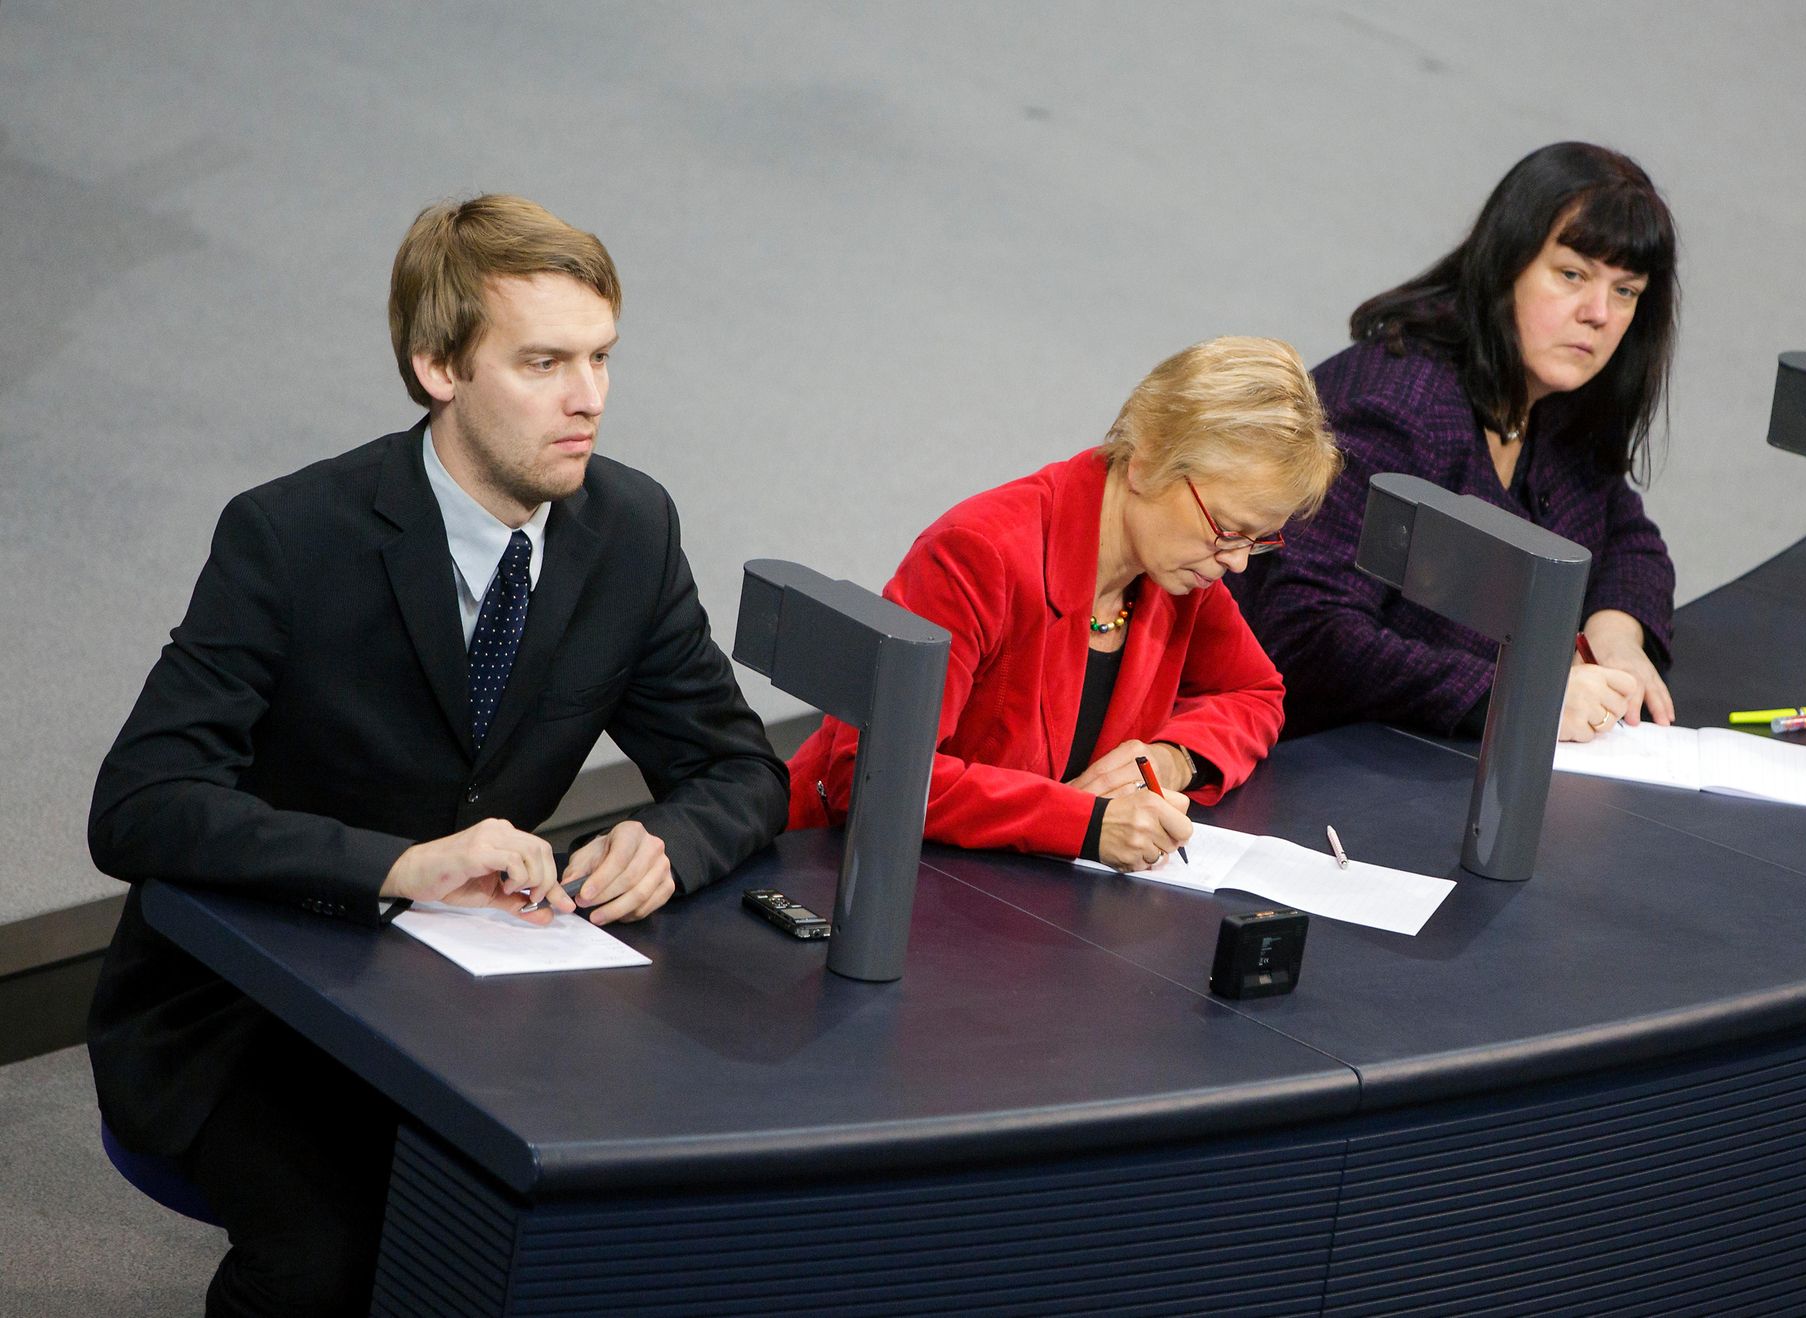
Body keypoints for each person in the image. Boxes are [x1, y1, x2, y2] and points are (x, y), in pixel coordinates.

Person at [84, 194, 789, 1316]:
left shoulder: (629, 530)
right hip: (253, 1004)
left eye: (602, 357)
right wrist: (392, 864)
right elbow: (139, 806)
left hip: (478, 1000)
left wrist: (667, 838)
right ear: (437, 366)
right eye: (545, 361)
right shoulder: (290, 536)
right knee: (340, 1251)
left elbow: (741, 770)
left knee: (640, 1215)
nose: (589, 399)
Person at [788, 337, 1340, 872]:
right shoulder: (978, 555)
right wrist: (1087, 824)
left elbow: (1255, 693)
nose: (1238, 562)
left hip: (1005, 894)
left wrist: (1174, 759)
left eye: (1257, 540)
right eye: (1228, 529)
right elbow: (874, 773)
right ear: (1146, 462)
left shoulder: (1180, 572)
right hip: (840, 875)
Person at [1230, 142, 1681, 743]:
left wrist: (1616, 635)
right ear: (1506, 265)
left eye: (1626, 291)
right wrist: (1518, 695)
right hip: (1305, 765)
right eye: (1572, 275)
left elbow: (1627, 538)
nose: (1599, 313)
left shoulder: (1552, 400)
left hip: (1417, 757)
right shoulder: (1399, 408)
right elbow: (1309, 634)